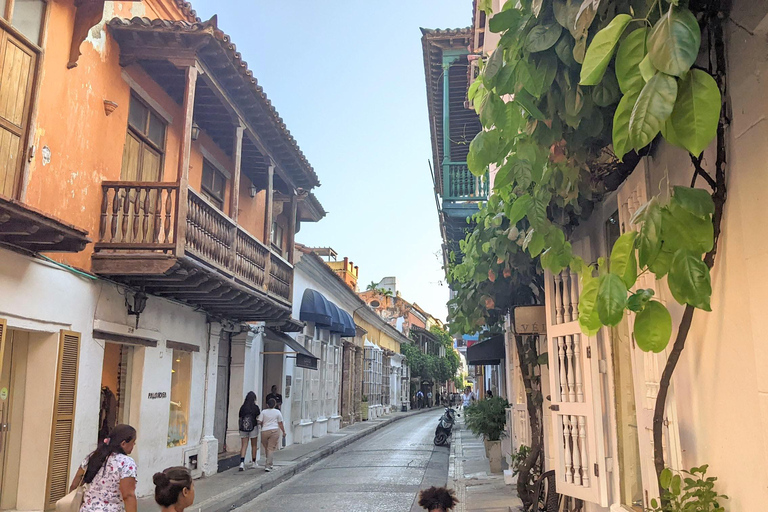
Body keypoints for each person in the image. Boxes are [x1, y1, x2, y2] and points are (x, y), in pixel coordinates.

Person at [69, 424, 138, 512]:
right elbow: (128, 495)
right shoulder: (126, 463)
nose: (134, 445)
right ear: (123, 444)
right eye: (133, 442)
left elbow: (75, 483)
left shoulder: (93, 457)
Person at [258, 398, 286, 472]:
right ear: (275, 404)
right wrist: (283, 431)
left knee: (266, 447)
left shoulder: (263, 412)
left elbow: (259, 421)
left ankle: (269, 462)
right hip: (274, 431)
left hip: (264, 431)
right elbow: (280, 423)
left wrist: (262, 426)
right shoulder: (277, 412)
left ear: (267, 405)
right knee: (270, 448)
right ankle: (268, 465)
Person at [238, 391, 261, 471]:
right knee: (253, 445)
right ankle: (254, 462)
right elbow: (258, 417)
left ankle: (241, 463)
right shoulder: (255, 407)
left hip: (243, 428)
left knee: (244, 445)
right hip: (253, 427)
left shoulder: (243, 407)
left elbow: (240, 417)